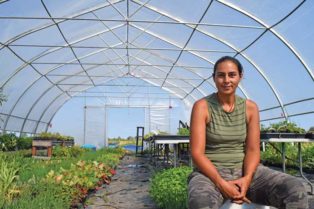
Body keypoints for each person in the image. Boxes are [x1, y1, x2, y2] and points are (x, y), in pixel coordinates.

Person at [188, 56, 308, 209]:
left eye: (232, 75)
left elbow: (252, 149)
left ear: (240, 76)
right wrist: (221, 183)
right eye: (221, 75)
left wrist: (247, 178)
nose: (226, 80)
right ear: (214, 78)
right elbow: (197, 153)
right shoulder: (202, 107)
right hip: (210, 174)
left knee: (294, 188)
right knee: (200, 202)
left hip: (246, 170)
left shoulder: (250, 108)